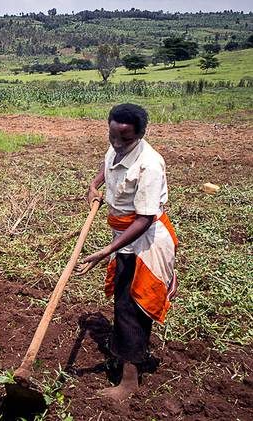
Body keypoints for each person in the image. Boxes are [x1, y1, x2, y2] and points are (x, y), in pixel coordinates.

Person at [75, 103, 178, 402]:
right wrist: (94, 185)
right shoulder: (115, 148)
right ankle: (127, 357)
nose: (117, 144)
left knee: (132, 309)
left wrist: (104, 251)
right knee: (123, 303)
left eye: (125, 139)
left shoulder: (149, 164)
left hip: (146, 243)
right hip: (124, 238)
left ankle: (129, 382)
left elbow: (144, 219)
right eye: (112, 136)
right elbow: (107, 167)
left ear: (141, 134)